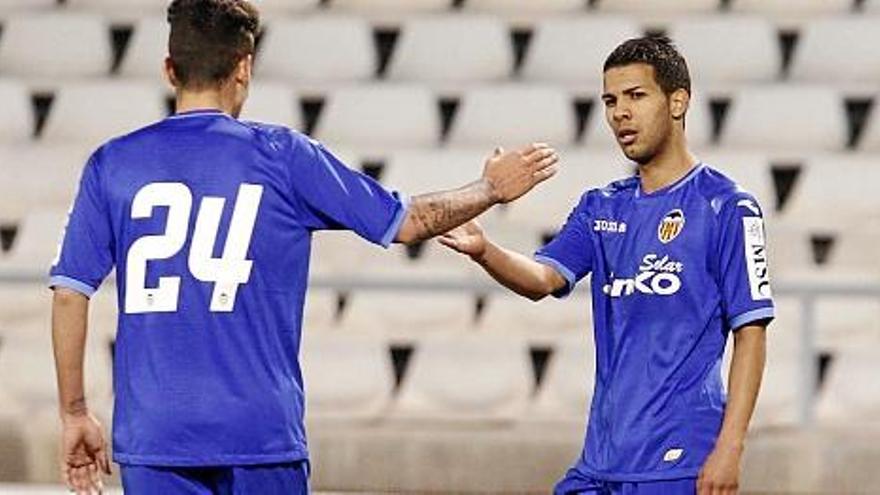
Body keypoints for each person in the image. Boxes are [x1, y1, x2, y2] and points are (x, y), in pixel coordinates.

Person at [48, 1, 559, 493]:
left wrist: (74, 412)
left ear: (169, 68)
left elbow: (71, 293)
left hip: (154, 435)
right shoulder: (283, 156)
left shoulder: (111, 163)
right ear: (244, 68)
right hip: (259, 432)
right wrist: (488, 189)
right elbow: (408, 222)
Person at [441, 36, 773, 495]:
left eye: (636, 96)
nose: (620, 113)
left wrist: (731, 447)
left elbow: (751, 332)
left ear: (678, 102)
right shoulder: (602, 207)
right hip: (601, 458)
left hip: (679, 462)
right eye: (610, 101)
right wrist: (484, 250)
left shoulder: (727, 206)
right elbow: (544, 279)